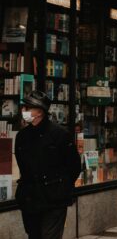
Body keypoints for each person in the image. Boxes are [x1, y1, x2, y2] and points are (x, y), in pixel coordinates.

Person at [15, 90, 81, 239]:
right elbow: (23, 166)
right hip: (31, 198)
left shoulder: (60, 135)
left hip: (54, 198)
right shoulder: (22, 136)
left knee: (50, 236)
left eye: (27, 108)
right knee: (34, 235)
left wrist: (60, 185)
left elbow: (74, 166)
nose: (23, 111)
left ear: (39, 111)